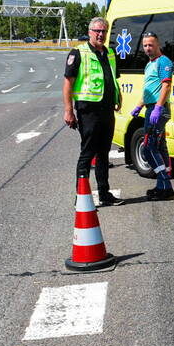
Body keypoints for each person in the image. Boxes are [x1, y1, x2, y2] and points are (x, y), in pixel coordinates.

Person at [63, 17, 123, 206]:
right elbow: (67, 84)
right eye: (97, 31)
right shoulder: (78, 53)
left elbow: (113, 77)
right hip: (88, 111)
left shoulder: (110, 53)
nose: (101, 34)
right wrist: (68, 110)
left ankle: (104, 194)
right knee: (87, 153)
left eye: (104, 31)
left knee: (104, 154)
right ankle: (81, 197)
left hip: (107, 111)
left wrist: (118, 96)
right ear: (89, 32)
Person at [130, 32, 174, 199]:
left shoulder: (163, 62)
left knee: (149, 147)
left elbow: (166, 87)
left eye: (151, 45)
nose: (148, 48)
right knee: (159, 148)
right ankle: (161, 186)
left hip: (158, 110)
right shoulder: (149, 64)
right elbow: (148, 90)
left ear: (158, 44)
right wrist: (138, 106)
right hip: (150, 108)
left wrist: (157, 108)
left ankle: (166, 185)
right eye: (145, 46)